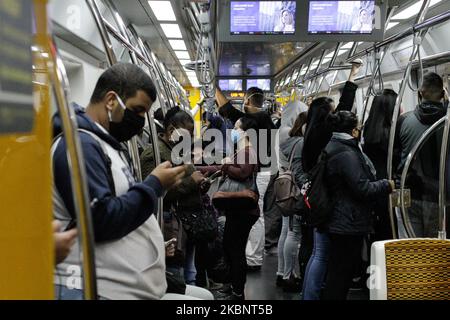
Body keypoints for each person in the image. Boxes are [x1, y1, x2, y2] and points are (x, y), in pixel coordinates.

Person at [52, 63, 186, 300]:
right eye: (137, 110)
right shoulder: (80, 146)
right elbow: (100, 219)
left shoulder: (107, 145)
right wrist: (154, 185)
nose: (141, 121)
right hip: (90, 287)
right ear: (111, 100)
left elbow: (120, 206)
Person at [301, 62, 362, 300]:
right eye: (332, 109)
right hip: (325, 198)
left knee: (318, 252)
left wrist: (352, 77)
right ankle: (312, 296)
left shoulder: (311, 131)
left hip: (316, 194)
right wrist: (351, 78)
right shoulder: (324, 134)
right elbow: (344, 108)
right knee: (322, 254)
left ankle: (309, 294)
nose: (336, 111)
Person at [322, 111, 394, 300]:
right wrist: (386, 184)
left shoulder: (334, 145)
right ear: (353, 131)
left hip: (341, 216)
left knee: (338, 270)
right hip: (347, 219)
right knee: (340, 273)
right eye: (359, 127)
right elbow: (362, 188)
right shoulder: (347, 153)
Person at [140, 106, 211, 288]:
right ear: (171, 130)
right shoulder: (154, 154)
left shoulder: (178, 151)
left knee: (190, 272)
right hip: (169, 223)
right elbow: (154, 192)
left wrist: (200, 185)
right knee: (178, 275)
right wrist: (191, 183)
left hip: (186, 221)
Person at [216, 86, 276, 270]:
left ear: (248, 100)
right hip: (267, 169)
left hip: (261, 172)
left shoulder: (255, 119)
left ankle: (254, 258)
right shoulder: (265, 119)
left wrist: (214, 84)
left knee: (255, 211)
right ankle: (251, 255)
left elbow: (228, 110)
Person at [207, 117, 260, 300]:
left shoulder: (248, 151)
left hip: (243, 210)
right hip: (238, 208)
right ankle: (231, 286)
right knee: (230, 247)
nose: (233, 131)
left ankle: (238, 291)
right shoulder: (243, 150)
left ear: (245, 132)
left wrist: (226, 164)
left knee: (236, 250)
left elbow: (243, 172)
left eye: (236, 128)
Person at [395, 72, 448, 238]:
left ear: (420, 93)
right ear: (442, 93)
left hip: (407, 190)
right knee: (435, 249)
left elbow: (397, 156)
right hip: (439, 194)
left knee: (409, 248)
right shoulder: (447, 122)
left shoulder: (404, 120)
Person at [277, 112, 308, 292]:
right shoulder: (301, 144)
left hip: (285, 189)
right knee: (294, 233)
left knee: (285, 231)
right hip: (295, 191)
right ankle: (289, 275)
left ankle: (281, 272)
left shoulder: (288, 141)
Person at [363, 89, 398, 241]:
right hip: (390, 185)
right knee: (390, 231)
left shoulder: (367, 129)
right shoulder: (391, 132)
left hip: (374, 186)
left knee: (378, 234)